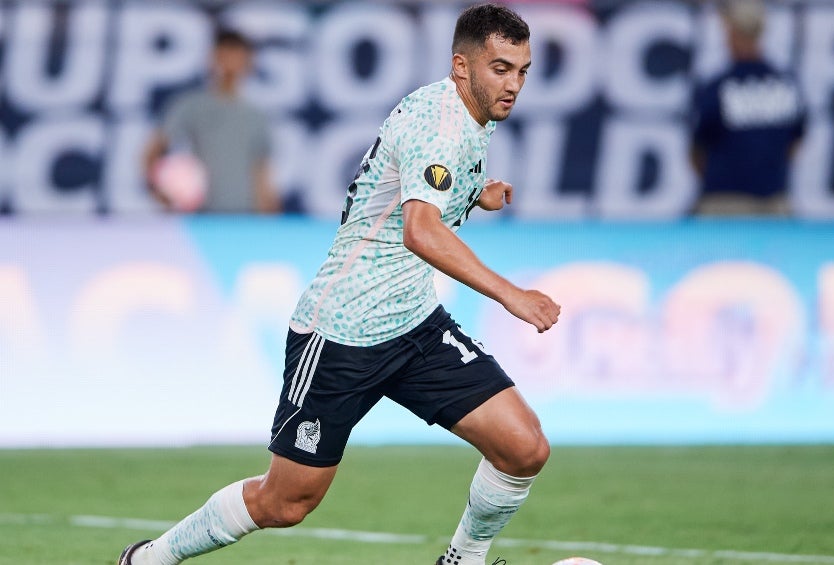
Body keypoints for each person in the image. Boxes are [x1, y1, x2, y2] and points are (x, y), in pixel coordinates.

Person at [118, 4, 559, 565]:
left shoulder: (467, 110)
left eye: (522, 70)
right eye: (500, 68)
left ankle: (462, 560)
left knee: (523, 447)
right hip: (342, 332)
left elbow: (403, 188)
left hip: (414, 324)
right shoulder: (440, 123)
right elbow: (421, 232)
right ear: (461, 66)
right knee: (286, 502)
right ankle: (150, 558)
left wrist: (474, 193)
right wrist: (510, 293)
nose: (514, 84)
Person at [143, 28, 280, 214]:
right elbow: (153, 151)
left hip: (246, 219)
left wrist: (270, 219)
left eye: (237, 55)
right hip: (201, 218)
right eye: (224, 54)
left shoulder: (256, 116)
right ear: (212, 58)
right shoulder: (191, 106)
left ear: (249, 62)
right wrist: (160, 191)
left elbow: (261, 174)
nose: (230, 63)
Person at [689, 0, 805, 216]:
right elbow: (795, 144)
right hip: (774, 203)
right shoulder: (786, 84)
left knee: (720, 250)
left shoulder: (718, 88)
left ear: (731, 33)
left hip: (724, 206)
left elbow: (697, 151)